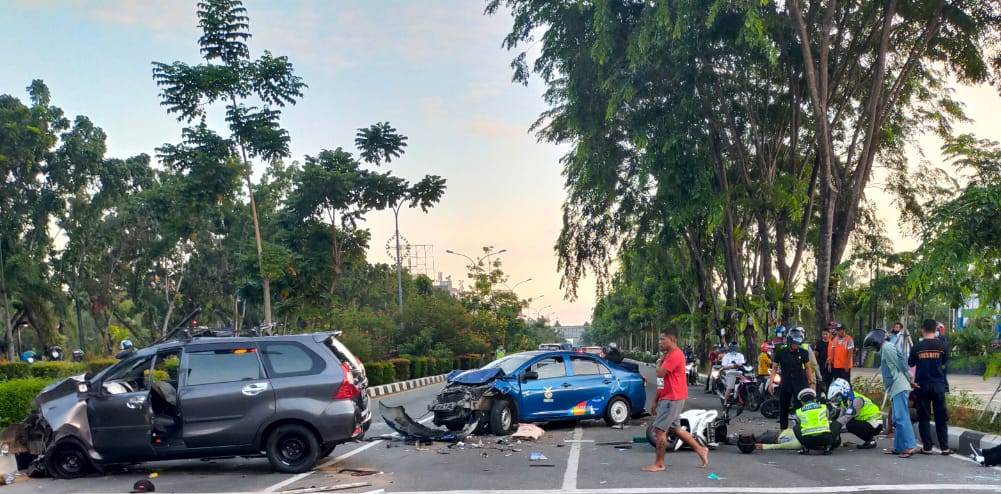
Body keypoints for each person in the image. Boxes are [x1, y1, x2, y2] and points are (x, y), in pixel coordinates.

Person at [643, 329, 709, 472]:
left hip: (673, 398)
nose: (660, 342)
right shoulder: (667, 356)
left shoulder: (675, 355)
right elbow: (661, 380)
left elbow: (660, 372)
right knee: (676, 429)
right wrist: (655, 400)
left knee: (660, 430)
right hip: (668, 397)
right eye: (659, 339)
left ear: (672, 340)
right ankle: (701, 450)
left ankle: (659, 463)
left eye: (663, 339)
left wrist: (658, 365)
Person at [864, 328, 917, 458]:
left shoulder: (887, 348)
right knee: (896, 419)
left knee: (901, 417)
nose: (872, 349)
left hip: (899, 386)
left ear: (876, 341)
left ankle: (910, 446)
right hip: (895, 387)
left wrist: (910, 379)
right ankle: (899, 447)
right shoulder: (885, 349)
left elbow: (900, 363)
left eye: (871, 345)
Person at [909, 319, 952, 455]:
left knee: (924, 417)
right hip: (939, 385)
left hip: (922, 385)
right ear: (935, 329)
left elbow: (911, 363)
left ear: (923, 329)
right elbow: (944, 362)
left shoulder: (917, 346)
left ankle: (927, 447)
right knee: (941, 417)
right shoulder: (942, 346)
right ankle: (944, 448)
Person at [768, 327, 813, 430]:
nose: (796, 345)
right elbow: (774, 368)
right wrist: (771, 383)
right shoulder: (780, 353)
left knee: (800, 408)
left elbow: (808, 368)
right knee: (783, 408)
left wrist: (811, 382)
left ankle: (800, 430)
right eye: (794, 343)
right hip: (785, 383)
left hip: (800, 383)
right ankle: (783, 430)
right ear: (789, 341)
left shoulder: (803, 352)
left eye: (798, 343)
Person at [827, 378, 882, 449]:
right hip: (867, 422)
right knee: (842, 422)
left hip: (875, 424)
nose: (836, 399)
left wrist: (835, 428)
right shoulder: (845, 401)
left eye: (837, 396)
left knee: (850, 425)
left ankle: (870, 441)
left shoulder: (857, 400)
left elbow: (847, 417)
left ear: (844, 391)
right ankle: (869, 440)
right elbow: (841, 417)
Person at [792, 388, 839, 455]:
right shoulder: (823, 407)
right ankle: (827, 448)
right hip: (825, 438)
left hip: (808, 440)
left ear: (802, 402)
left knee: (795, 426)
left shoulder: (799, 411)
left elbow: (799, 423)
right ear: (814, 399)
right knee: (835, 423)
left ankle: (805, 448)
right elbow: (828, 418)